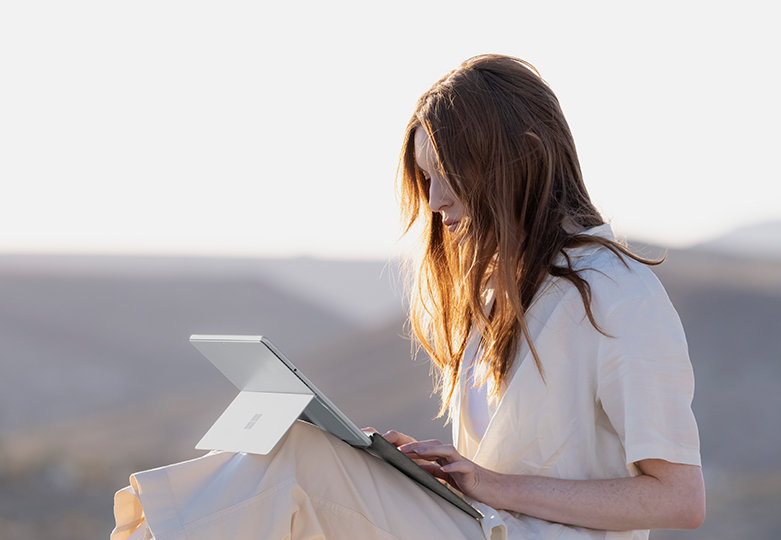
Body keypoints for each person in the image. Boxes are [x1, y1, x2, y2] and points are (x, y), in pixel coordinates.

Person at [110, 54, 703, 540]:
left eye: (449, 172)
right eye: (426, 178)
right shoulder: (500, 293)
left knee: (299, 465)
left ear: (522, 155)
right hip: (485, 524)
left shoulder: (619, 296)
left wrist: (490, 485)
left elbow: (679, 500)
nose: (436, 200)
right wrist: (426, 478)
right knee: (306, 448)